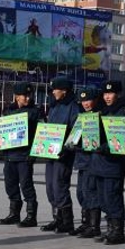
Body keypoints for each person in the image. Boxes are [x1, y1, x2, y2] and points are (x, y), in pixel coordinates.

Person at [0, 82, 44, 228]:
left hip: (25, 156)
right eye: (25, 95)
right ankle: (14, 214)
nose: (28, 98)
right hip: (10, 156)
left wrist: (33, 154)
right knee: (10, 185)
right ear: (17, 96)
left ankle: (31, 216)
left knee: (26, 186)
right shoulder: (8, 111)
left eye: (30, 95)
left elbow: (41, 135)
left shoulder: (36, 112)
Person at [91, 80, 125, 245]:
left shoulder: (123, 113)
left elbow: (122, 140)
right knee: (104, 198)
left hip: (113, 164)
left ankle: (118, 231)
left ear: (118, 94)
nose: (107, 97)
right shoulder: (103, 112)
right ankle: (110, 230)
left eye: (110, 93)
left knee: (113, 197)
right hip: (99, 163)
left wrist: (104, 147)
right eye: (105, 93)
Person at [41, 76, 79, 234]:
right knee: (50, 186)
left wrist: (67, 148)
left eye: (56, 89)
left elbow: (77, 130)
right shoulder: (54, 106)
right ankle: (57, 218)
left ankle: (67, 221)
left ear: (64, 91)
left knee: (59, 186)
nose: (53, 92)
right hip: (50, 152)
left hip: (63, 154)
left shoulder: (73, 106)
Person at [68, 88, 102, 237]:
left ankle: (94, 226)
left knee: (91, 193)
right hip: (82, 160)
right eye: (83, 101)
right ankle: (85, 222)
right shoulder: (81, 117)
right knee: (81, 193)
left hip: (93, 161)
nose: (85, 104)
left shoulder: (99, 116)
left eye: (88, 100)